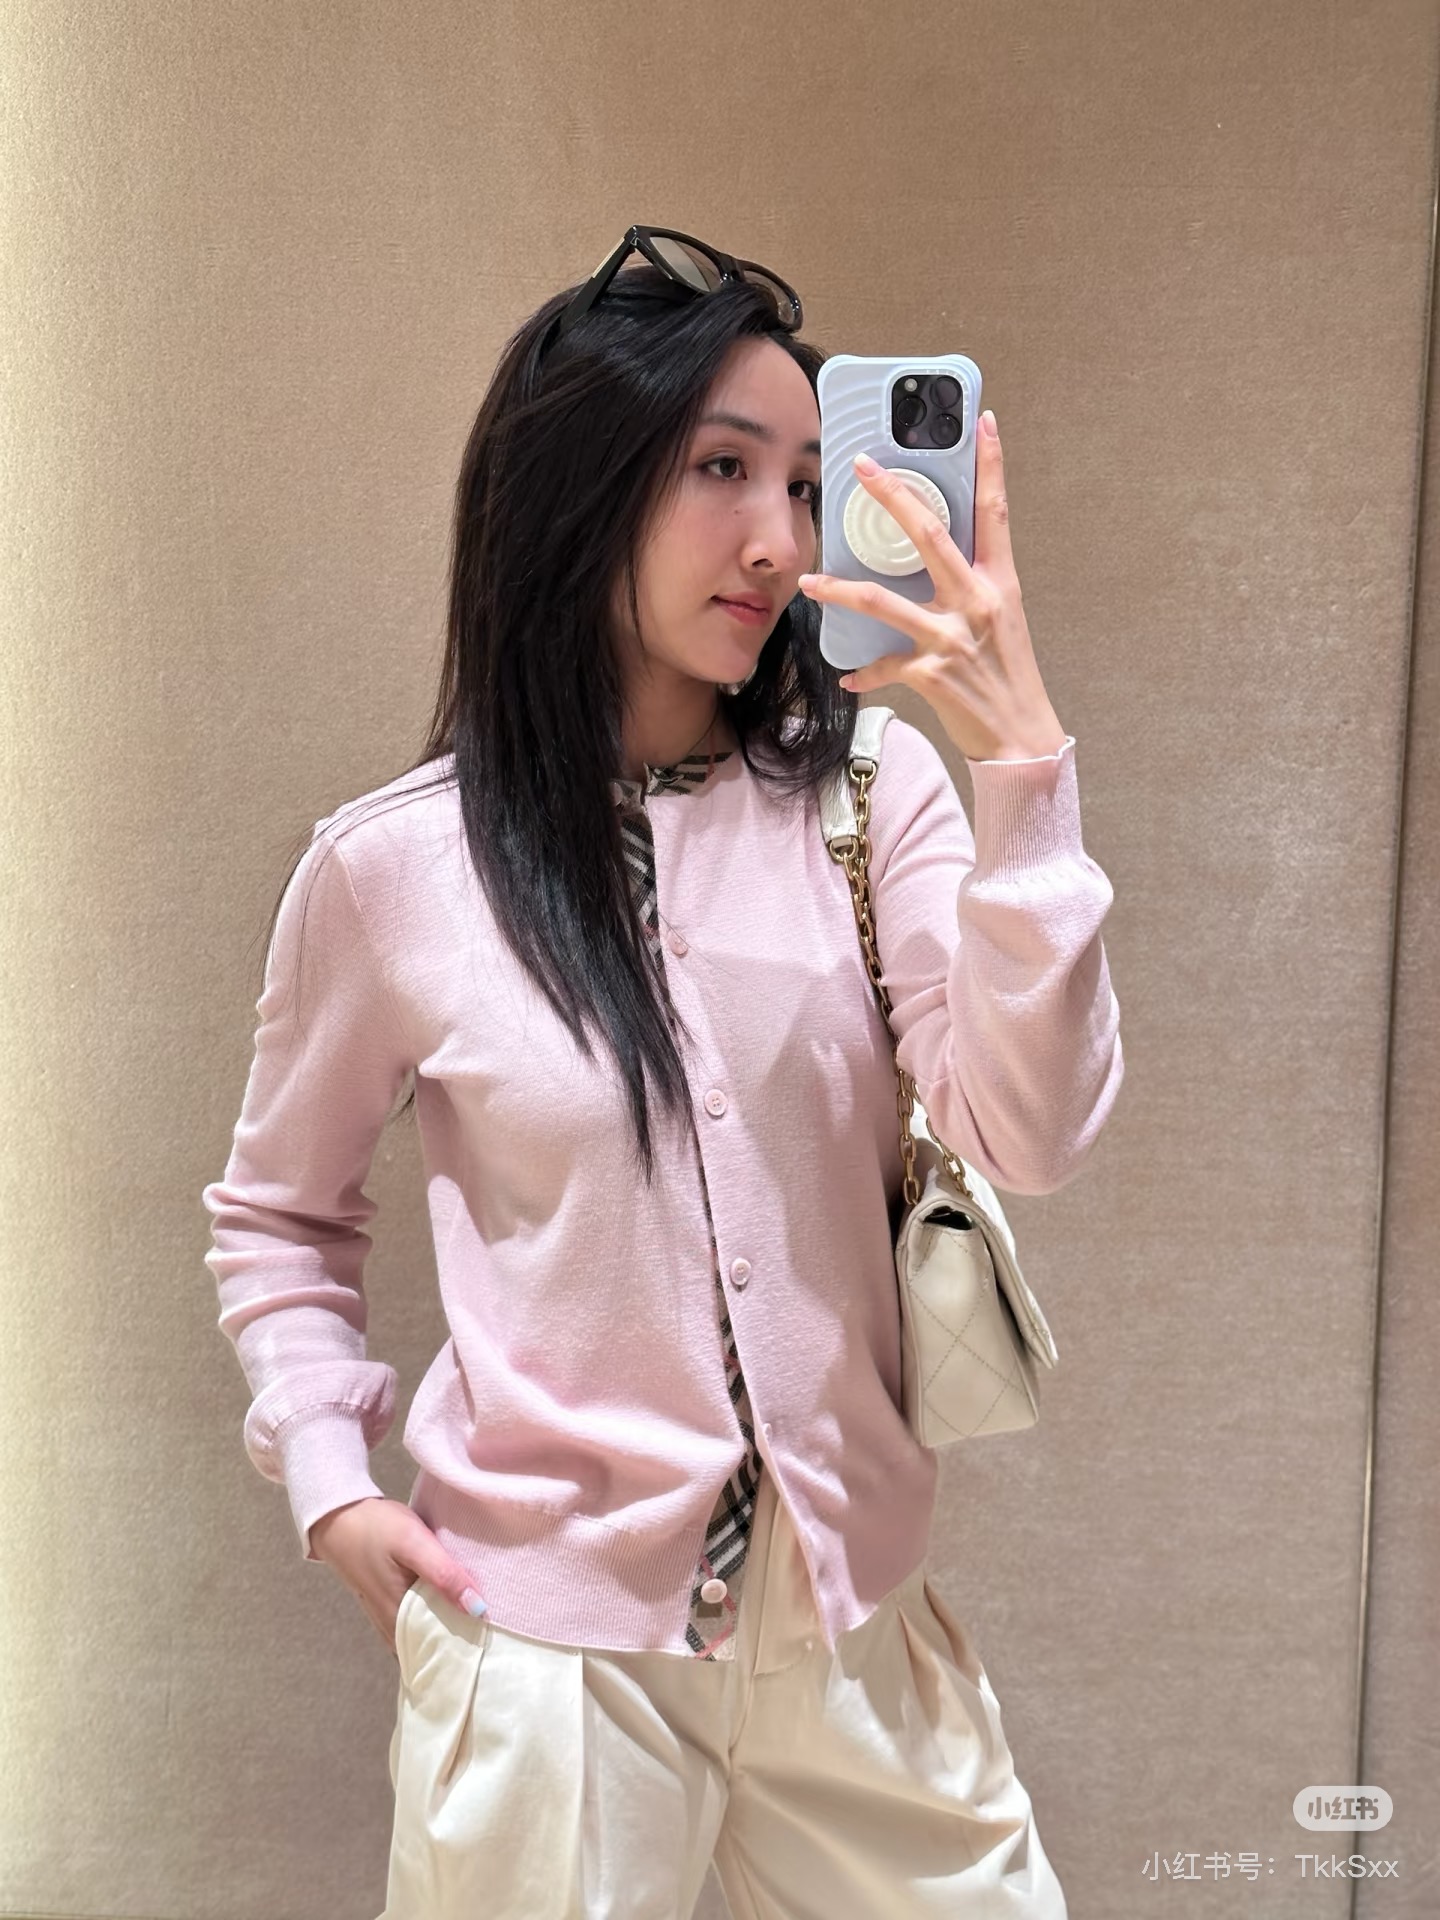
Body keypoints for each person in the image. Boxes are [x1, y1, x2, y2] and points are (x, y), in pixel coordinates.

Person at [201, 225, 1124, 1918]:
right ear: (580, 488)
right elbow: (279, 1219)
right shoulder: (392, 871)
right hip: (549, 1673)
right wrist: (330, 1483)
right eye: (722, 469)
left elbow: (1034, 1135)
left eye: (807, 483)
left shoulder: (875, 799)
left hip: (854, 1640)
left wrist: (1022, 769)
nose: (778, 539)